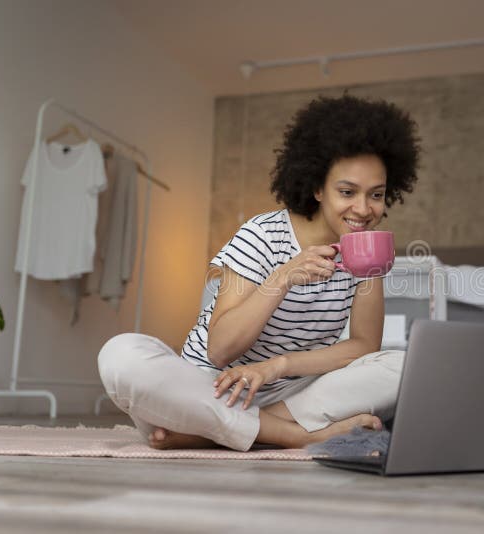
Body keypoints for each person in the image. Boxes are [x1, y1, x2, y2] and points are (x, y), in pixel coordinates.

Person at [97, 94, 421, 451]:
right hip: (209, 386)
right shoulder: (262, 235)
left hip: (288, 392)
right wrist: (282, 278)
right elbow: (220, 350)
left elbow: (362, 347)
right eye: (347, 192)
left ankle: (214, 431)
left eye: (376, 195)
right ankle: (294, 435)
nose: (363, 209)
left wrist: (277, 366)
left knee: (407, 365)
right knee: (121, 356)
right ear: (317, 188)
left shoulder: (365, 252)